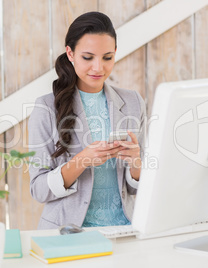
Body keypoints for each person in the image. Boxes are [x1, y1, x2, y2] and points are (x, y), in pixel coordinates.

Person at [28, 11, 146, 229]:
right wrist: (82, 160)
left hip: (124, 229)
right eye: (88, 57)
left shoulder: (133, 102)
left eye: (107, 57)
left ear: (115, 53)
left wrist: (136, 162)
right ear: (70, 54)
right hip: (70, 234)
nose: (98, 67)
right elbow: (39, 189)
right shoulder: (45, 108)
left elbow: (138, 190)